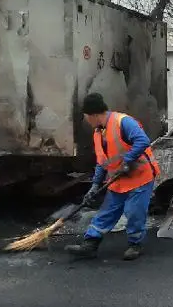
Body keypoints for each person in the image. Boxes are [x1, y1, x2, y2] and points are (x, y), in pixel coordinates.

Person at [64, 93, 161, 261]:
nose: (85, 120)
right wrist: (95, 185)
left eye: (86, 116)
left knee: (134, 212)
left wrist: (127, 161)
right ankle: (90, 244)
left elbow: (143, 141)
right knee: (107, 211)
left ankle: (135, 244)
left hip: (139, 176)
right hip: (119, 178)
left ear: (93, 115)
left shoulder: (123, 122)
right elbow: (102, 161)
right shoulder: (97, 133)